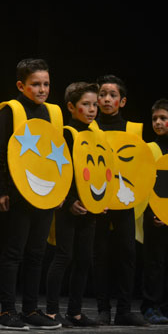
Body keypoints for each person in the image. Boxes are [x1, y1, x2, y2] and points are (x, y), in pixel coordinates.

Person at [0, 58, 60, 330]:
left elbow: (58, 156)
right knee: (14, 252)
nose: (42, 90)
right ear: (21, 85)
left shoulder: (52, 113)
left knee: (37, 253)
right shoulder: (12, 110)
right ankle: (7, 312)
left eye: (46, 84)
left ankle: (30, 310)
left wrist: (59, 189)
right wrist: (0, 191)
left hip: (44, 194)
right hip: (18, 194)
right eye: (35, 85)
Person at [91, 74, 148, 326]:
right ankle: (103, 308)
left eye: (112, 95)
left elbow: (141, 169)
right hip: (99, 202)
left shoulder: (134, 130)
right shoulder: (91, 128)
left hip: (124, 201)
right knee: (99, 255)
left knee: (127, 254)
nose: (106, 99)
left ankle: (124, 310)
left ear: (122, 101)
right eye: (102, 94)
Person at [43, 82, 101, 327]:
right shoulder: (67, 133)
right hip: (69, 206)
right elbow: (57, 170)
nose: (92, 110)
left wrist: (101, 200)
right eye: (85, 105)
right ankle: (52, 312)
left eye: (94, 105)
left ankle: (75, 312)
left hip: (89, 207)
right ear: (71, 107)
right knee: (64, 256)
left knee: (85, 258)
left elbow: (100, 171)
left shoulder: (95, 135)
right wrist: (68, 202)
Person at [141, 98, 168, 324]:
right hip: (156, 216)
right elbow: (146, 186)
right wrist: (153, 214)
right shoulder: (151, 149)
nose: (158, 123)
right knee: (155, 262)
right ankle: (151, 306)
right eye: (155, 119)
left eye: (163, 118)